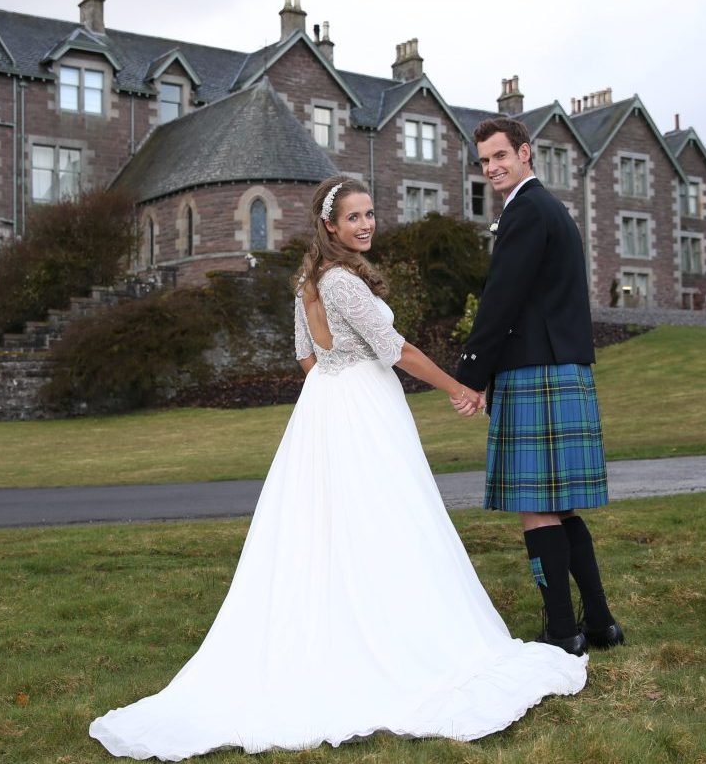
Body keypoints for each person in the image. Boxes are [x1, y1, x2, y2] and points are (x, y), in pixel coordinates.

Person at [89, 176, 586, 761]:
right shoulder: (343, 282)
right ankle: (383, 635)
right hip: (360, 408)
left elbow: (305, 354)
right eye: (353, 217)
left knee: (333, 523)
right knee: (385, 517)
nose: (366, 224)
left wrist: (331, 386)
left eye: (370, 214)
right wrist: (460, 387)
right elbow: (395, 350)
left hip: (324, 405)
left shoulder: (308, 281)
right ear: (330, 226)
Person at [456, 117, 625, 657]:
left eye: (500, 156)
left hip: (536, 372)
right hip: (563, 369)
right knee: (563, 506)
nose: (492, 168)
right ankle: (598, 623)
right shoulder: (553, 210)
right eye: (484, 161)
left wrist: (472, 372)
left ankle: (561, 631)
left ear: (525, 153)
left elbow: (501, 299)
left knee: (537, 506)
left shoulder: (525, 211)